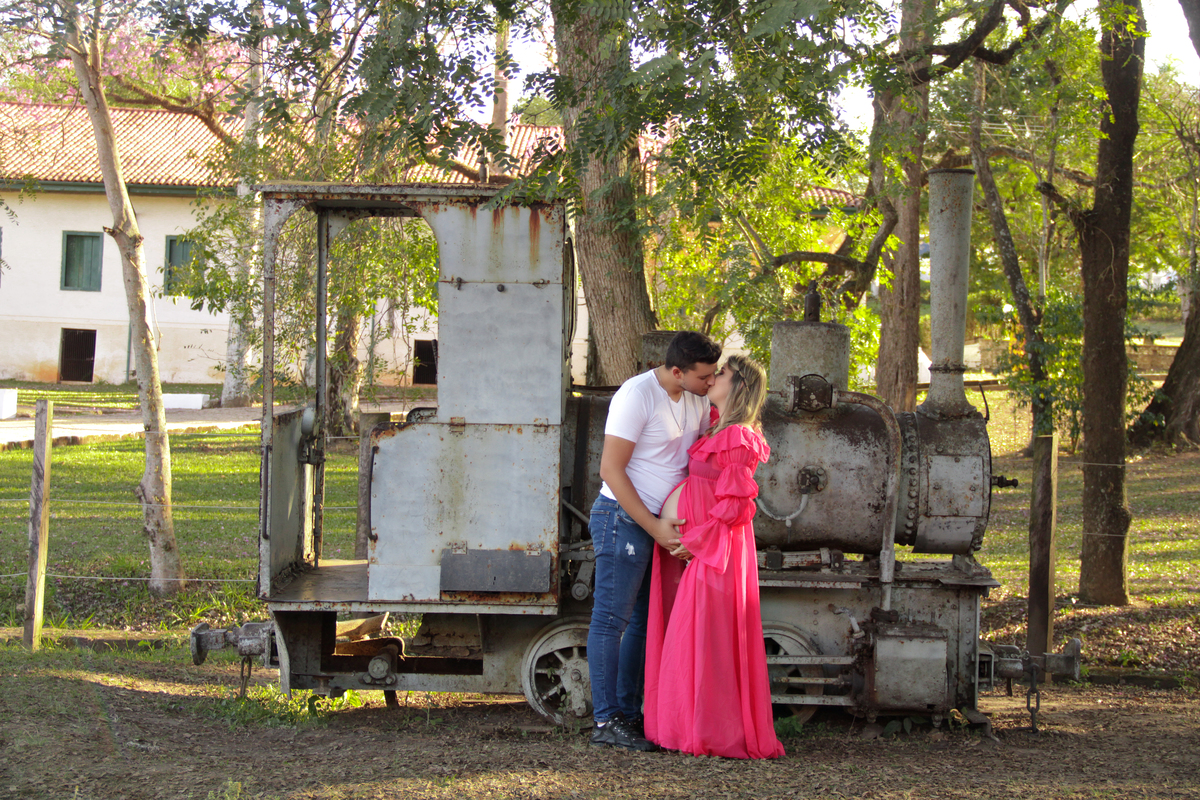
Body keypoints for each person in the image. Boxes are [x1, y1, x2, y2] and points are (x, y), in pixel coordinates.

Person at [643, 354, 785, 759]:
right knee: (695, 637)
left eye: (721, 373)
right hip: (702, 547)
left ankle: (710, 732)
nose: (712, 378)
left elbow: (737, 506)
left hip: (716, 551)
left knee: (706, 638)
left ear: (738, 385)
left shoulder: (738, 436)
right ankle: (692, 727)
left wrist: (698, 540)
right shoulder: (718, 426)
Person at [588, 331, 722, 751]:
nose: (711, 382)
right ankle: (606, 720)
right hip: (623, 518)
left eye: (714, 375)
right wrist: (654, 527)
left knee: (645, 622)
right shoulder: (637, 395)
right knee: (612, 620)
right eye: (704, 376)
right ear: (677, 371)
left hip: (663, 526)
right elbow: (610, 470)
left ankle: (630, 714)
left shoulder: (697, 399)